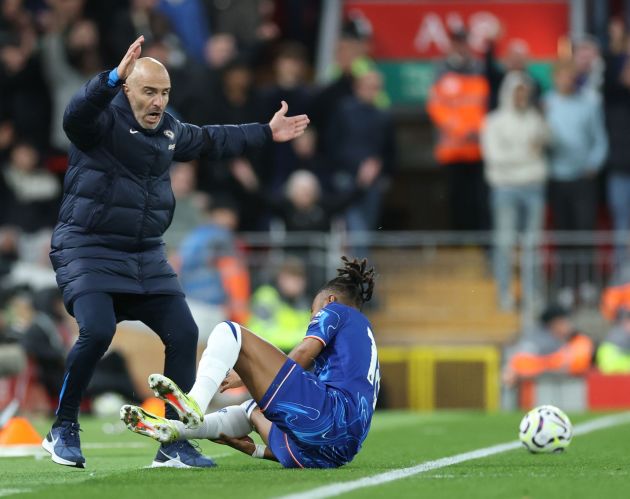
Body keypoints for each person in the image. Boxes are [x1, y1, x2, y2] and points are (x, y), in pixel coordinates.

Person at [43, 35, 309, 469]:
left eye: (164, 93)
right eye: (149, 91)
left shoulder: (168, 130)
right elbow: (75, 115)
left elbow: (210, 140)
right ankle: (63, 428)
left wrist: (266, 132)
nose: (158, 102)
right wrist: (108, 78)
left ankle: (174, 443)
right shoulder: (99, 123)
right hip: (87, 248)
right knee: (97, 330)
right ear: (127, 89)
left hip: (145, 254)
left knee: (184, 334)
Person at [121, 257, 380, 469]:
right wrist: (256, 450)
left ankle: (195, 402)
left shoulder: (336, 310)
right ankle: (175, 430)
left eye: (314, 311)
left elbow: (303, 353)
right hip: (335, 450)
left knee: (229, 330)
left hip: (329, 414)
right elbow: (316, 456)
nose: (313, 316)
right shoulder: (365, 342)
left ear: (328, 301)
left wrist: (246, 376)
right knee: (250, 409)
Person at [481, 71, 549, 311]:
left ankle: (532, 294)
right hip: (505, 188)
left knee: (533, 244)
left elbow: (545, 144)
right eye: (518, 91)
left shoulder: (535, 119)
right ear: (508, 93)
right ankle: (505, 294)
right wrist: (527, 155)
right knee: (505, 243)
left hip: (533, 187)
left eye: (525, 92)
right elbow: (495, 157)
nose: (522, 96)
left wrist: (527, 155)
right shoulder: (494, 121)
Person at [544, 60, 608, 306]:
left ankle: (587, 281)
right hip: (558, 178)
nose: (567, 80)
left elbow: (599, 139)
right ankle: (566, 285)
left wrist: (593, 165)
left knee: (585, 231)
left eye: (571, 75)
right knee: (564, 233)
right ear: (555, 78)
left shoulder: (588, 104)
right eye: (562, 75)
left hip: (583, 178)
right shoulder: (547, 104)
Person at [426, 28, 490, 231]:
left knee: (479, 200)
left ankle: (479, 244)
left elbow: (486, 105)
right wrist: (462, 131)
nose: (461, 46)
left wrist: (477, 131)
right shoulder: (441, 69)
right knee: (456, 199)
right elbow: (436, 107)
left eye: (463, 41)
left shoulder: (479, 68)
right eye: (457, 42)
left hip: (478, 149)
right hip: (452, 150)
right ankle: (461, 243)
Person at [502, 305, 593, 387]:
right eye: (563, 321)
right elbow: (518, 364)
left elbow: (579, 362)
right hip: (536, 391)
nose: (568, 325)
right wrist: (553, 362)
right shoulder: (539, 339)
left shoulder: (572, 339)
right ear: (553, 323)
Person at [247, 257, 311, 353]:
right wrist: (300, 339)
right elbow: (260, 332)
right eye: (292, 279)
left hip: (294, 355)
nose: (296, 284)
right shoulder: (266, 297)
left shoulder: (304, 303)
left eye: (299, 280)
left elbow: (310, 331)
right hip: (265, 353)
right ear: (281, 278)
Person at [596, 307, 630, 374]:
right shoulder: (621, 333)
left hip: (608, 363)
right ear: (625, 321)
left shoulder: (616, 331)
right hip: (611, 362)